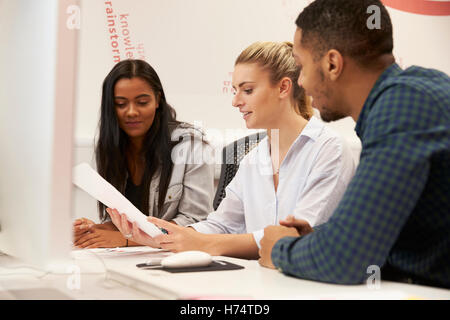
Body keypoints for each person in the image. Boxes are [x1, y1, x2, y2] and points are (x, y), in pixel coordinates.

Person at [259, 0, 450, 289]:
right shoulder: (419, 89)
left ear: (332, 64)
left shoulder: (400, 108)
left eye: (300, 66)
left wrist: (278, 249)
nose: (301, 81)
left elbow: (344, 260)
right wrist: (316, 242)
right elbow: (372, 241)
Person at [108, 41, 356, 259]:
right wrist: (158, 235)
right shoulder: (253, 159)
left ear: (283, 88)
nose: (236, 101)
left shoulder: (329, 150)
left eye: (247, 90)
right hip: (262, 283)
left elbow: (294, 236)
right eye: (235, 90)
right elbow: (222, 224)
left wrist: (204, 244)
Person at [73, 59, 215, 248]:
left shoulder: (191, 145)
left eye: (142, 102)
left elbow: (196, 222)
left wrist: (127, 240)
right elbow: (128, 220)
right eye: (120, 104)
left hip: (174, 258)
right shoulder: (111, 146)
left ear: (157, 100)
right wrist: (97, 230)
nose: (131, 112)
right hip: (135, 259)